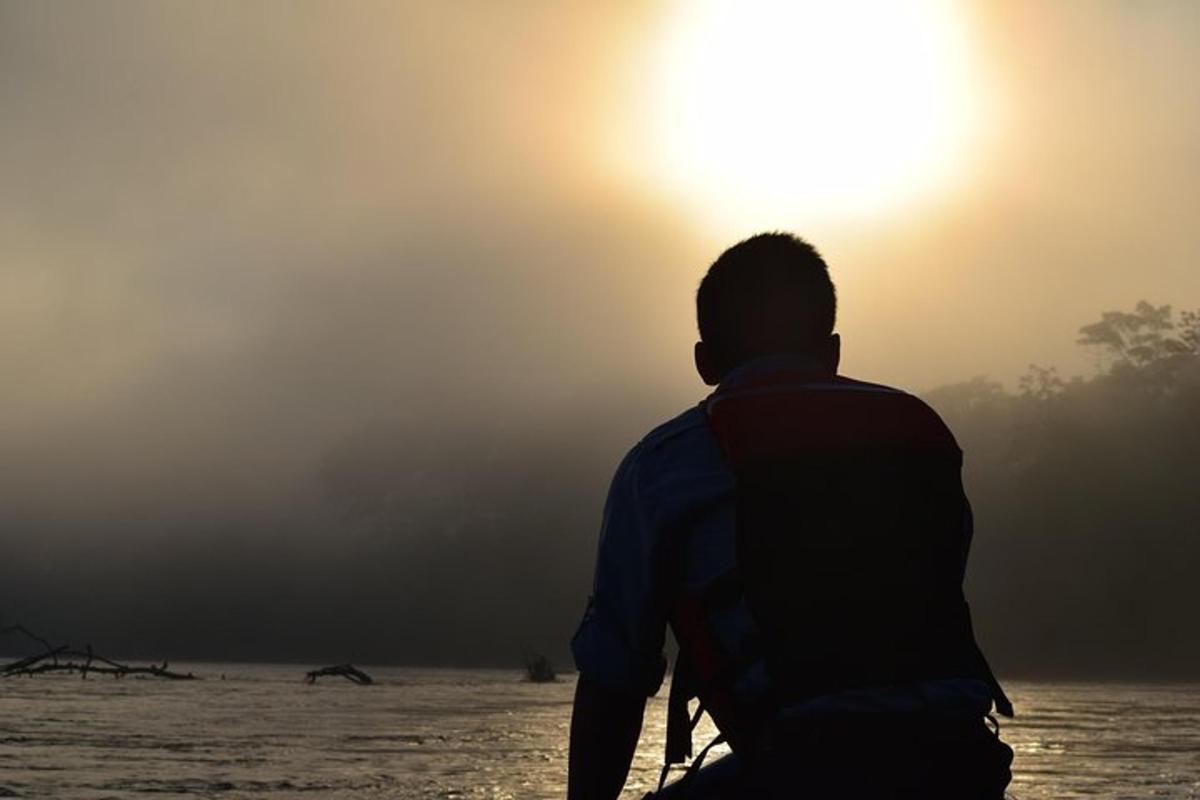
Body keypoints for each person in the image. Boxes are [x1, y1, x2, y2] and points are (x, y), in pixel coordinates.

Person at [567, 233, 1013, 799]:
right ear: (832, 352)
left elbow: (615, 677)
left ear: (705, 363)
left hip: (800, 768)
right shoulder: (921, 434)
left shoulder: (662, 465)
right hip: (962, 763)